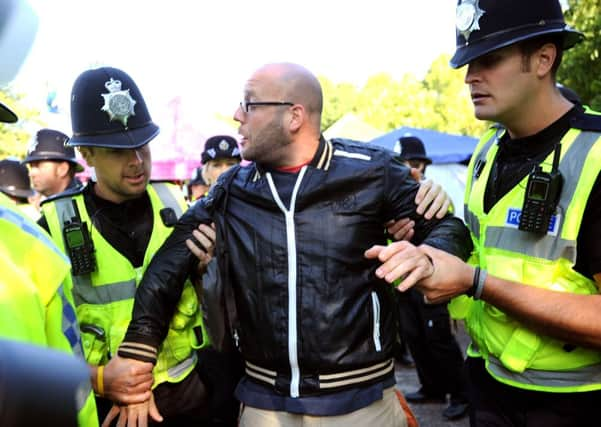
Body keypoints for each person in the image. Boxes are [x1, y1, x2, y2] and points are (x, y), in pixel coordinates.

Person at [116, 62, 472, 426]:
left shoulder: (372, 171)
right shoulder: (232, 188)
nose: (237, 115)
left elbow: (447, 228)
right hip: (262, 401)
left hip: (360, 402)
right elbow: (168, 264)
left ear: (294, 116)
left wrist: (428, 257)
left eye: (249, 104)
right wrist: (137, 353)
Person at [372, 0, 601, 425]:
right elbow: (483, 247)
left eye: (490, 59)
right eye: (468, 62)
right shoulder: (488, 149)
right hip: (487, 384)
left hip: (574, 402)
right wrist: (429, 238)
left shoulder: (596, 156)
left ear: (544, 59)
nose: (470, 77)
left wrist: (477, 284)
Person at [38, 66, 215, 427]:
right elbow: (35, 343)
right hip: (110, 408)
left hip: (190, 397)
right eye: (117, 151)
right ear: (86, 154)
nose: (136, 161)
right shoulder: (52, 227)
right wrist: (101, 380)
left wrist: (205, 272)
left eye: (142, 145)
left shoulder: (176, 205)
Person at [0, 101, 99, 427]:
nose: (32, 170)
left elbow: (75, 390)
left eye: (40, 162)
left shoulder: (32, 244)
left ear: (64, 167)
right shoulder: (34, 236)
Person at [394, 134, 470, 421]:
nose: (409, 169)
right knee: (415, 337)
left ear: (422, 166)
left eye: (414, 163)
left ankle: (461, 394)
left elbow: (449, 232)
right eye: (402, 163)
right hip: (403, 281)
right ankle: (432, 387)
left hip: (429, 278)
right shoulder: (391, 194)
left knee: (438, 338)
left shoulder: (433, 193)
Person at [22, 128, 84, 199]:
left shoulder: (88, 204)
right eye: (31, 166)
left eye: (38, 166)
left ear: (62, 169)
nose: (31, 174)